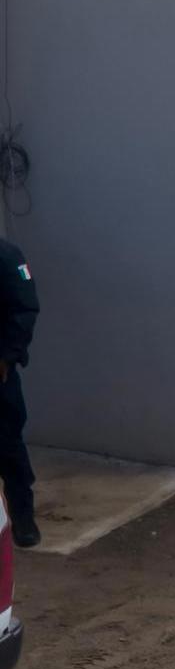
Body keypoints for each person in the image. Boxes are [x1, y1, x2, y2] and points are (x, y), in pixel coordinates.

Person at [0, 231, 33, 548]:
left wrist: (7, 357)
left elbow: (24, 310)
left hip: (1, 379)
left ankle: (24, 521)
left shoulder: (7, 255)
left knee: (8, 449)